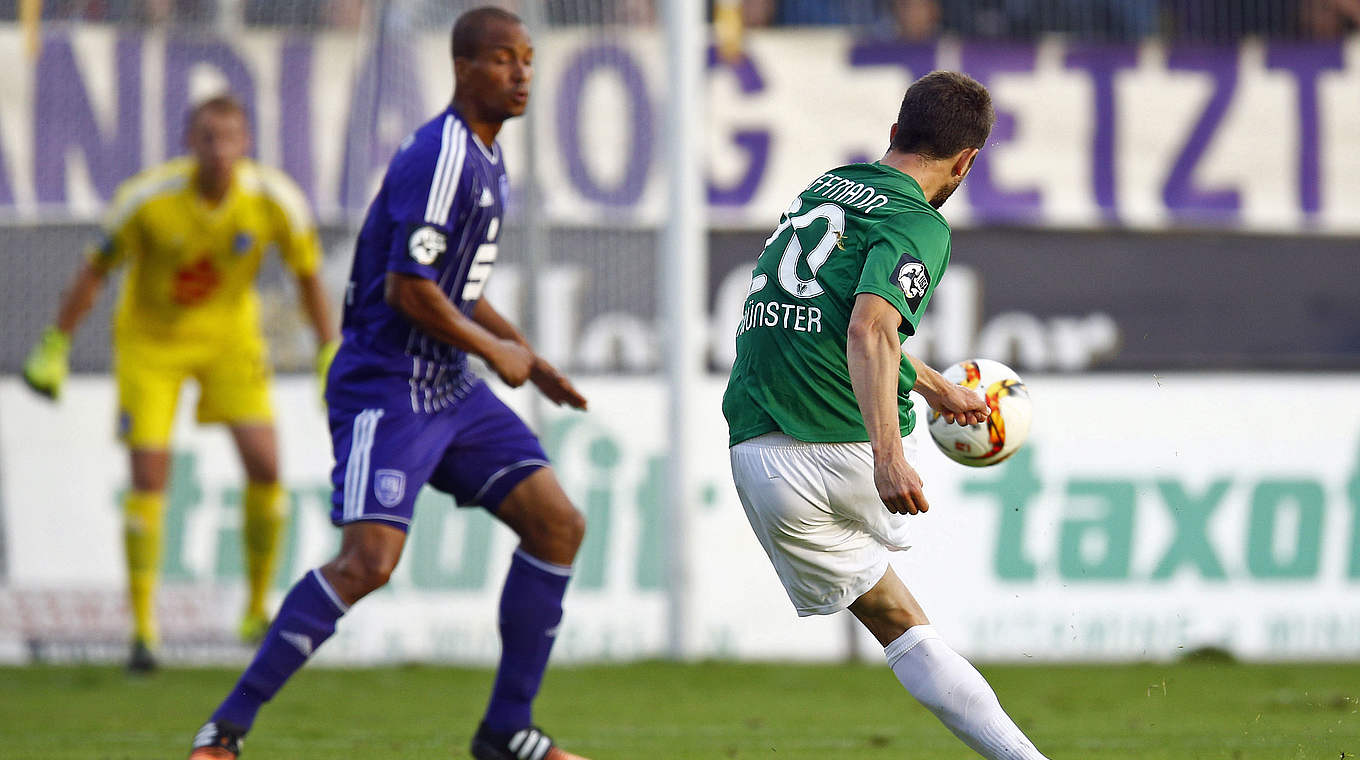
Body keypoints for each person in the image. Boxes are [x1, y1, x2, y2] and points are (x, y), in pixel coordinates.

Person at [186, 8, 590, 760]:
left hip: (449, 384)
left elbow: (455, 285)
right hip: (388, 382)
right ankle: (225, 728)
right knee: (368, 563)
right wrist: (491, 352)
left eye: (527, 59)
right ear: (463, 67)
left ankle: (507, 730)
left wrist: (523, 355)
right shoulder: (442, 155)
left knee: (557, 524)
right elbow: (409, 290)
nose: (521, 73)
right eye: (502, 59)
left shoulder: (487, 156)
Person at [722, 71, 1052, 759]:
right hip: (845, 446)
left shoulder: (827, 186)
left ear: (895, 132)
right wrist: (888, 455)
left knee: (897, 621)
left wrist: (930, 384)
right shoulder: (917, 222)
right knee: (905, 622)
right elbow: (871, 330)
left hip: (757, 453)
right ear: (966, 163)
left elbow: (831, 316)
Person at [22, 94, 338, 672]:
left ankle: (255, 609)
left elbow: (309, 277)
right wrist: (56, 344)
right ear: (190, 143)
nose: (219, 148)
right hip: (151, 343)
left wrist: (329, 352)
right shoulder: (148, 200)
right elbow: (94, 270)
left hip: (229, 339)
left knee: (267, 466)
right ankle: (143, 631)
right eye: (208, 137)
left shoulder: (275, 201)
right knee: (149, 474)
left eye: (230, 137)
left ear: (246, 144)